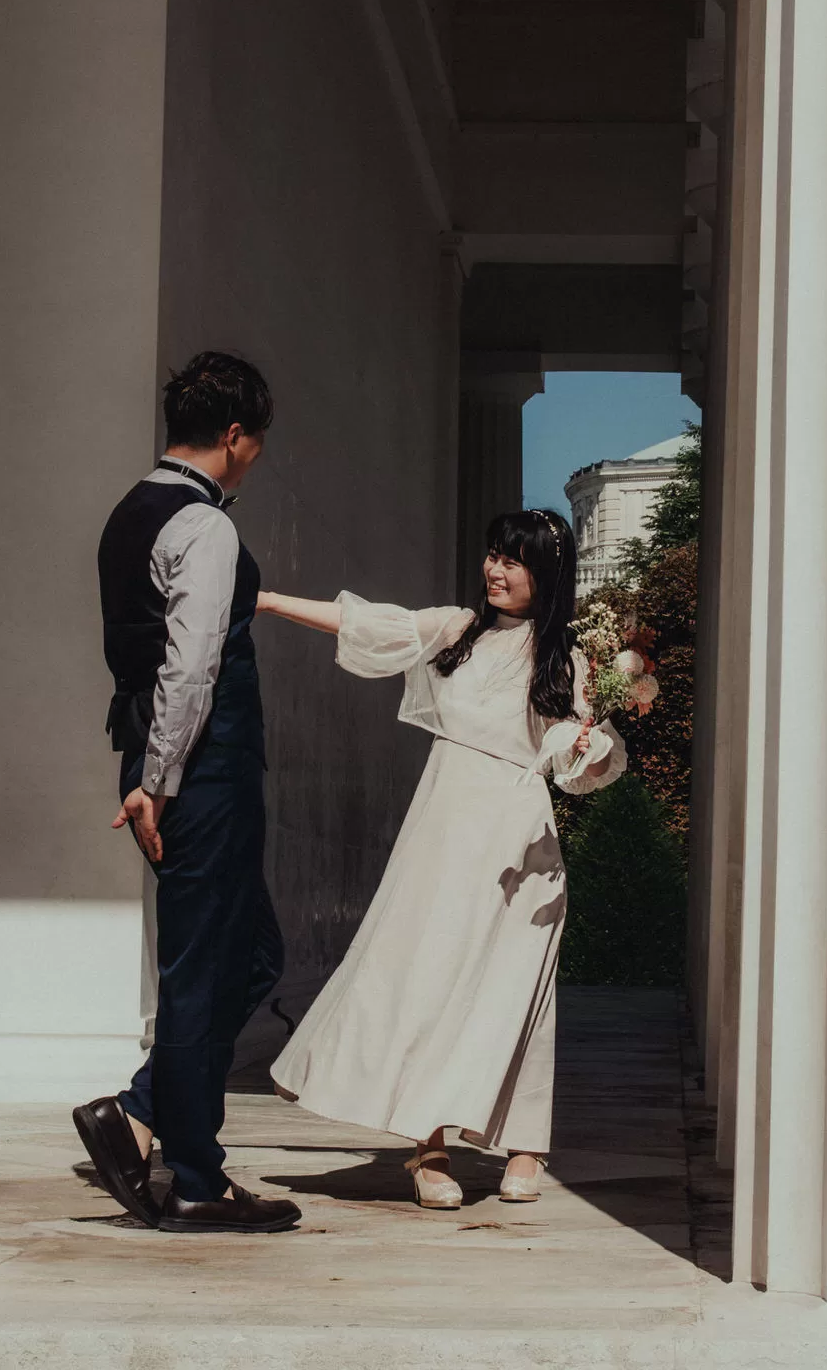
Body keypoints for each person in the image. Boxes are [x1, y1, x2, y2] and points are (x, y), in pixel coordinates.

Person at [259, 509, 626, 1208]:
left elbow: (581, 765)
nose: (496, 569)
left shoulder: (569, 660)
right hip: (443, 829)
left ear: (544, 573)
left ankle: (525, 1144)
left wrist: (587, 745)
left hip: (521, 845)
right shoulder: (456, 631)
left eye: (514, 560)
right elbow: (365, 624)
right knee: (424, 977)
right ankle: (426, 1146)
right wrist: (269, 601)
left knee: (515, 991)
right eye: (493, 554)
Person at [73, 352, 299, 1234]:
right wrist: (161, 780)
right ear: (235, 435)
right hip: (201, 772)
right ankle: (198, 1182)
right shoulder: (202, 528)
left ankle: (140, 1111)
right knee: (204, 969)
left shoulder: (129, 512)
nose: (255, 458)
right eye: (258, 443)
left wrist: (141, 774)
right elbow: (190, 667)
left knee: (248, 957)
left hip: (159, 766)